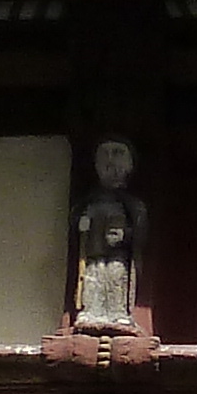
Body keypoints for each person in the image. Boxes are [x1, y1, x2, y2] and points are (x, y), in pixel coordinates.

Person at [72, 136, 145, 330]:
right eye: (105, 155)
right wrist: (83, 223)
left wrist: (126, 234)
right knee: (93, 279)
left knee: (115, 278)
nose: (110, 161)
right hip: (94, 252)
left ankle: (117, 312)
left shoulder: (129, 203)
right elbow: (78, 218)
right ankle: (92, 311)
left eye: (117, 154)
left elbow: (139, 228)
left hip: (117, 255)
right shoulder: (91, 199)